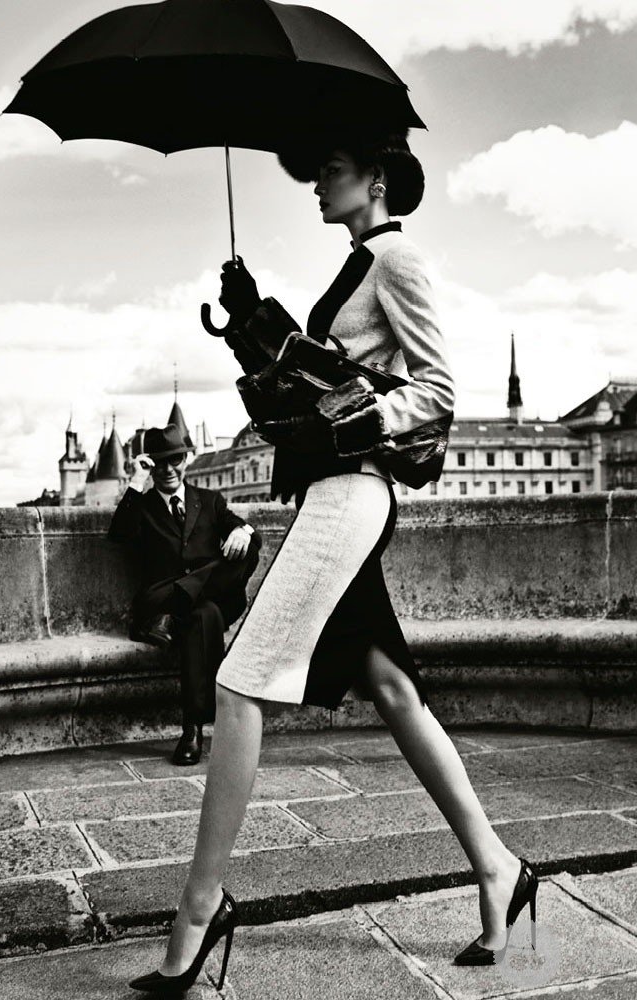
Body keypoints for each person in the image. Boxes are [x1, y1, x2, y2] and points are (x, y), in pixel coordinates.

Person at [129, 132, 537, 993]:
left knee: (239, 683)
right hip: (333, 493)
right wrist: (249, 318)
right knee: (391, 688)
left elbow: (435, 391)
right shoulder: (358, 266)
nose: (318, 182)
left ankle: (199, 910)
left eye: (333, 170)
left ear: (376, 180)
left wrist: (358, 421)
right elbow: (314, 377)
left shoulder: (399, 260)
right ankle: (499, 868)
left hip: (352, 494)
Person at [109, 423, 261, 766]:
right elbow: (119, 534)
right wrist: (136, 480)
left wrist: (243, 530)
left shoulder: (209, 501)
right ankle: (193, 728)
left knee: (247, 549)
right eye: (159, 463)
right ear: (150, 465)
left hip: (175, 610)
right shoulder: (143, 505)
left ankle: (176, 614)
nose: (168, 469)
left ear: (187, 460)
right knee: (203, 615)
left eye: (174, 460)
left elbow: (249, 540)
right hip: (162, 598)